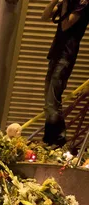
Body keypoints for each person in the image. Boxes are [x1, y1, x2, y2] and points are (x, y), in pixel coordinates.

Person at [41, 0, 89, 146]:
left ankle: (58, 139)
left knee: (53, 100)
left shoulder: (83, 4)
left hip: (66, 56)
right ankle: (50, 139)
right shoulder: (66, 3)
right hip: (55, 54)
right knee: (48, 101)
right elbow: (44, 16)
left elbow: (66, 24)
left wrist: (67, 4)